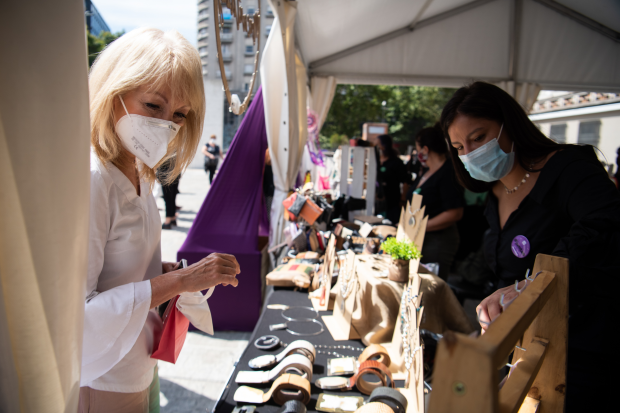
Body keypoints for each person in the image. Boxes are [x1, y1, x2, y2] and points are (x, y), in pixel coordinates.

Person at [85, 28, 241, 412]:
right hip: (102, 375)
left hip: (139, 360)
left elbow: (121, 268)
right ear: (114, 91)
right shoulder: (93, 179)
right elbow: (76, 315)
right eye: (153, 106)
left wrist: (162, 273)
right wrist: (180, 281)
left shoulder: (138, 171)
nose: (166, 124)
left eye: (180, 115)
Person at [441, 81, 620, 410]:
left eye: (478, 137)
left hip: (582, 351)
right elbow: (505, 277)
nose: (470, 152)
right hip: (526, 349)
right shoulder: (495, 194)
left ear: (509, 124)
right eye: (460, 147)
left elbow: (606, 226)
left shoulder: (569, 169)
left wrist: (528, 286)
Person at [405, 124, 465, 280]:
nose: (418, 153)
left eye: (418, 148)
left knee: (429, 288)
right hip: (419, 238)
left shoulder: (448, 172)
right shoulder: (426, 171)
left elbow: (455, 213)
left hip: (438, 242)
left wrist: (421, 226)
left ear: (425, 149)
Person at [376, 134, 408, 225]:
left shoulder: (396, 162)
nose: (376, 147)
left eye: (378, 145)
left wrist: (403, 199)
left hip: (393, 200)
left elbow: (406, 181)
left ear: (384, 146)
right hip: (379, 201)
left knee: (392, 224)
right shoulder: (376, 162)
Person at [157, 157, 180, 229]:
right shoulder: (176, 147)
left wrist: (158, 175)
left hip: (166, 174)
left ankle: (168, 220)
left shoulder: (165, 148)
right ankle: (172, 218)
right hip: (176, 173)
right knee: (172, 198)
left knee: (168, 199)